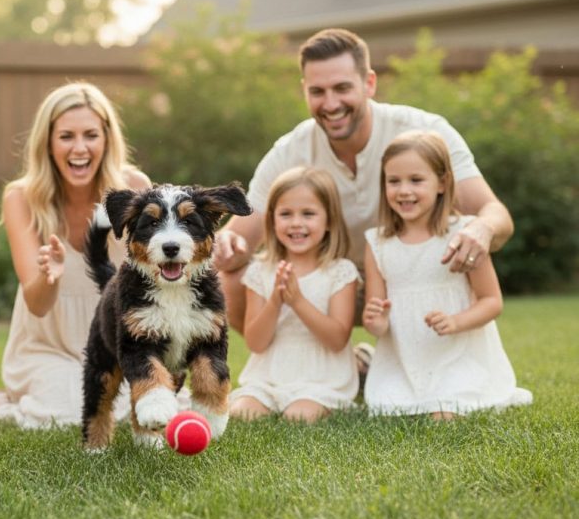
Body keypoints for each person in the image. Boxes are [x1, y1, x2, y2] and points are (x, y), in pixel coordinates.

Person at [213, 28, 514, 334]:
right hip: (330, 283)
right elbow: (237, 240)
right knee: (232, 282)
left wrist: (482, 228)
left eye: (342, 88)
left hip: (410, 278)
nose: (330, 104)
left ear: (369, 83)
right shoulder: (289, 151)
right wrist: (227, 245)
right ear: (304, 90)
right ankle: (312, 371)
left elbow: (494, 213)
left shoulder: (424, 131)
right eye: (318, 92)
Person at [0, 82, 151, 428]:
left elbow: (153, 277)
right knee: (71, 413)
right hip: (48, 347)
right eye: (66, 136)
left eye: (90, 135)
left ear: (106, 138)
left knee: (132, 409)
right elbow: (38, 304)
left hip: (117, 342)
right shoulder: (22, 198)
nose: (80, 148)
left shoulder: (134, 188)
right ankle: (1, 400)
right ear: (48, 142)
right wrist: (48, 276)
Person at [362, 130, 532, 418]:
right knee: (390, 407)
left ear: (442, 183)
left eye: (416, 180)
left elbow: (492, 301)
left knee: (445, 412)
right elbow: (378, 318)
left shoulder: (465, 233)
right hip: (404, 362)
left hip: (458, 357)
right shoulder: (377, 243)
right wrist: (375, 322)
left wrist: (456, 321)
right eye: (394, 181)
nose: (404, 190)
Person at [229, 167, 360, 423]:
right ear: (272, 220)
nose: (296, 223)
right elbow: (255, 343)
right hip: (268, 375)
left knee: (297, 417)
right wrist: (276, 302)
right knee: (242, 413)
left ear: (330, 220)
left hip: (321, 376)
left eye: (308, 214)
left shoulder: (340, 272)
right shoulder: (260, 271)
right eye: (286, 214)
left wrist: (297, 302)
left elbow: (337, 339)